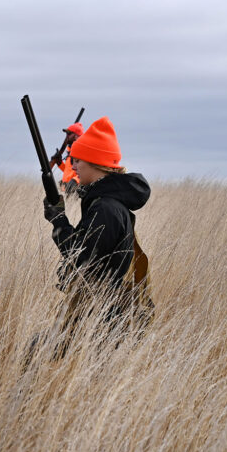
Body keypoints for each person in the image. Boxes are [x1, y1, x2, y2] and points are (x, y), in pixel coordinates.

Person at [32, 116, 154, 363]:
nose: (72, 166)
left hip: (102, 317)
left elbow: (79, 256)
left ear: (96, 163)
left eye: (77, 160)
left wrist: (58, 219)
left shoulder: (106, 208)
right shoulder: (106, 203)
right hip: (102, 314)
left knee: (37, 353)